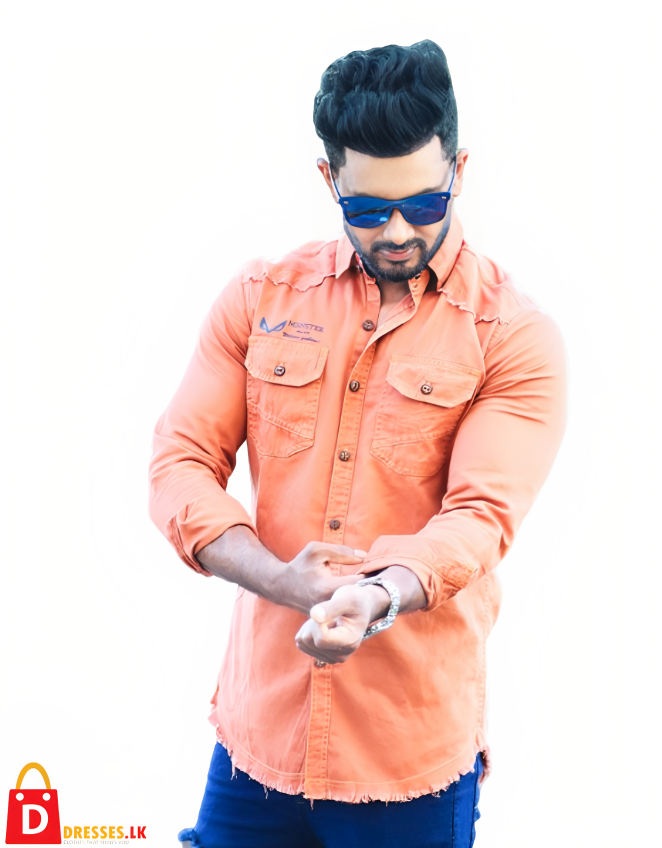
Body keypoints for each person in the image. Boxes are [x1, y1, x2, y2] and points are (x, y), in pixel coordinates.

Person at [148, 39, 567, 848]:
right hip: (256, 744)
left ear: (459, 171)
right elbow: (179, 464)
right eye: (369, 210)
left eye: (425, 202)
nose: (399, 230)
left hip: (406, 761)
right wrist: (278, 580)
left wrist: (377, 597)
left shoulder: (513, 334)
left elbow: (479, 518)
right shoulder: (259, 298)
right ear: (328, 180)